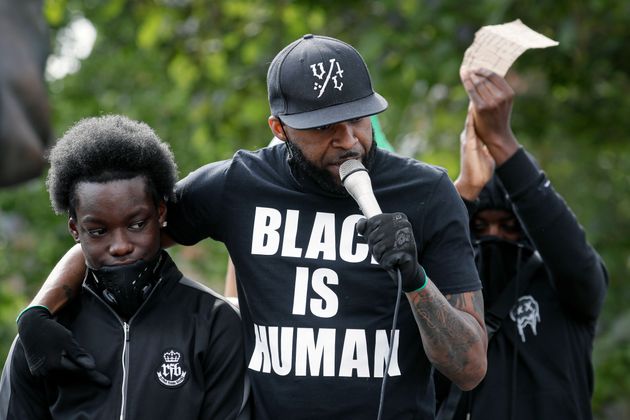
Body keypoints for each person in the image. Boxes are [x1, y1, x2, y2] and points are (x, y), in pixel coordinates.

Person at [14, 35, 487, 419]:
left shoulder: (427, 193)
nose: (348, 141)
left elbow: (470, 369)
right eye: (324, 128)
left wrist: (415, 280)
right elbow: (122, 234)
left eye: (357, 118)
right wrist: (37, 312)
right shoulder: (237, 184)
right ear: (279, 128)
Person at [0, 115, 249, 419]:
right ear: (75, 230)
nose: (120, 245)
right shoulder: (45, 333)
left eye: (136, 223)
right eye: (98, 231)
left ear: (160, 213)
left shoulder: (215, 323)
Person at [437, 67, 607, 419]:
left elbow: (570, 250)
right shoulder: (450, 292)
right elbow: (426, 258)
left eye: (509, 227)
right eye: (481, 225)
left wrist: (503, 143)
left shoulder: (568, 287)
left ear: (529, 229)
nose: (495, 236)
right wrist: (466, 190)